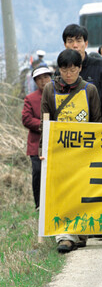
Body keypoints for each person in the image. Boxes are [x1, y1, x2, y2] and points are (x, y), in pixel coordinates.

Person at [41, 49, 102, 253]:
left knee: (82, 192)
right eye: (65, 70)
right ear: (59, 70)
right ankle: (65, 235)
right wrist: (44, 149)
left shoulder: (90, 90)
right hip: (60, 152)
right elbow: (45, 121)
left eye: (73, 69)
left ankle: (81, 233)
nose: (69, 74)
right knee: (64, 193)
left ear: (80, 69)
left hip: (84, 152)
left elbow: (96, 121)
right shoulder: (50, 90)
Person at [22, 66, 53, 208]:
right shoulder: (30, 98)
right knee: (38, 172)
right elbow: (26, 119)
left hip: (56, 141)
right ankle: (39, 204)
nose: (43, 81)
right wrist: (44, 126)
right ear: (35, 81)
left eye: (46, 77)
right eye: (39, 79)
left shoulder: (58, 94)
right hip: (37, 144)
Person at [62, 24, 102, 96]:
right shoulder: (62, 70)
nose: (75, 45)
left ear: (86, 43)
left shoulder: (100, 66)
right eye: (70, 41)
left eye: (78, 41)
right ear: (65, 45)